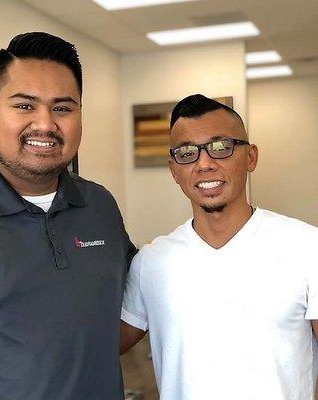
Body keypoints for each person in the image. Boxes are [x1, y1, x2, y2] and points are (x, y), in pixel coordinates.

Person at [0, 32, 135, 400]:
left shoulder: (99, 205)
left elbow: (123, 316)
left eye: (63, 108)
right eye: (24, 106)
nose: (46, 124)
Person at [120, 94, 318, 399]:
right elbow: (99, 347)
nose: (204, 164)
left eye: (220, 147)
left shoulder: (305, 246)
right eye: (187, 153)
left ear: (250, 157)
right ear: (174, 170)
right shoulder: (151, 262)